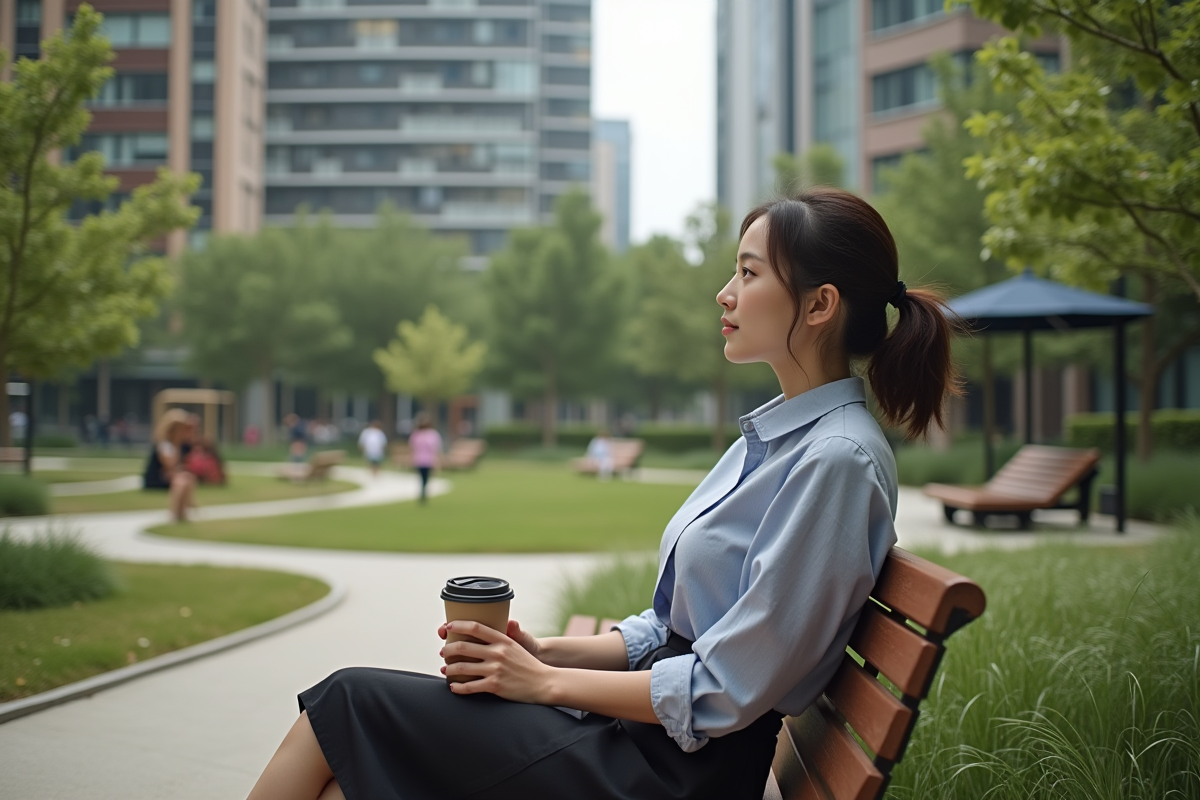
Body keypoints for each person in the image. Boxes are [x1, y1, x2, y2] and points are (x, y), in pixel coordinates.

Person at [244, 188, 961, 800]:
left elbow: (724, 690)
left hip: (674, 773)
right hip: (648, 741)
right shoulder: (776, 440)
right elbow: (672, 628)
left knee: (346, 700)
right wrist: (547, 652)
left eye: (748, 272)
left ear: (819, 305)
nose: (725, 292)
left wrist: (541, 685)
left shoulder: (835, 460)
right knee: (346, 781)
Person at [142, 408, 198, 523]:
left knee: (187, 478)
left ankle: (182, 512)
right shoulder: (165, 445)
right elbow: (170, 466)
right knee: (181, 481)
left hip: (167, 475)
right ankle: (174, 514)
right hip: (156, 479)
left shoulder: (177, 445)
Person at [408, 413, 442, 503]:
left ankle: (423, 492)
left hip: (428, 460)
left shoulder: (432, 434)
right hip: (420, 460)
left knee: (425, 478)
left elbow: (435, 448)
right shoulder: (417, 434)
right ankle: (423, 492)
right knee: (422, 478)